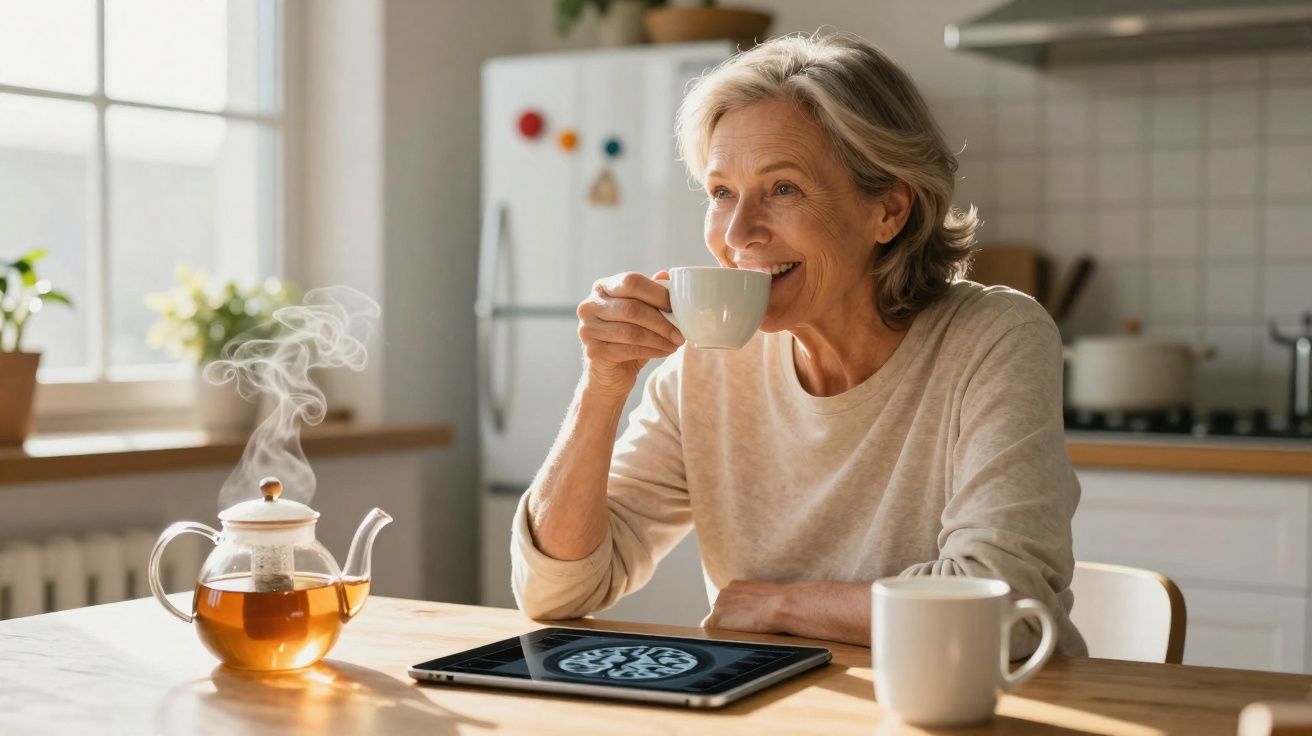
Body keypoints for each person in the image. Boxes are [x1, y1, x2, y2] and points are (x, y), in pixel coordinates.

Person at [509, 31, 1087, 658]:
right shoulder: (709, 366)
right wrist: (602, 386)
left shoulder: (994, 339)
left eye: (783, 189)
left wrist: (781, 604)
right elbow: (555, 592)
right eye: (722, 192)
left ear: (889, 210)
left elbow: (1004, 608)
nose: (738, 234)